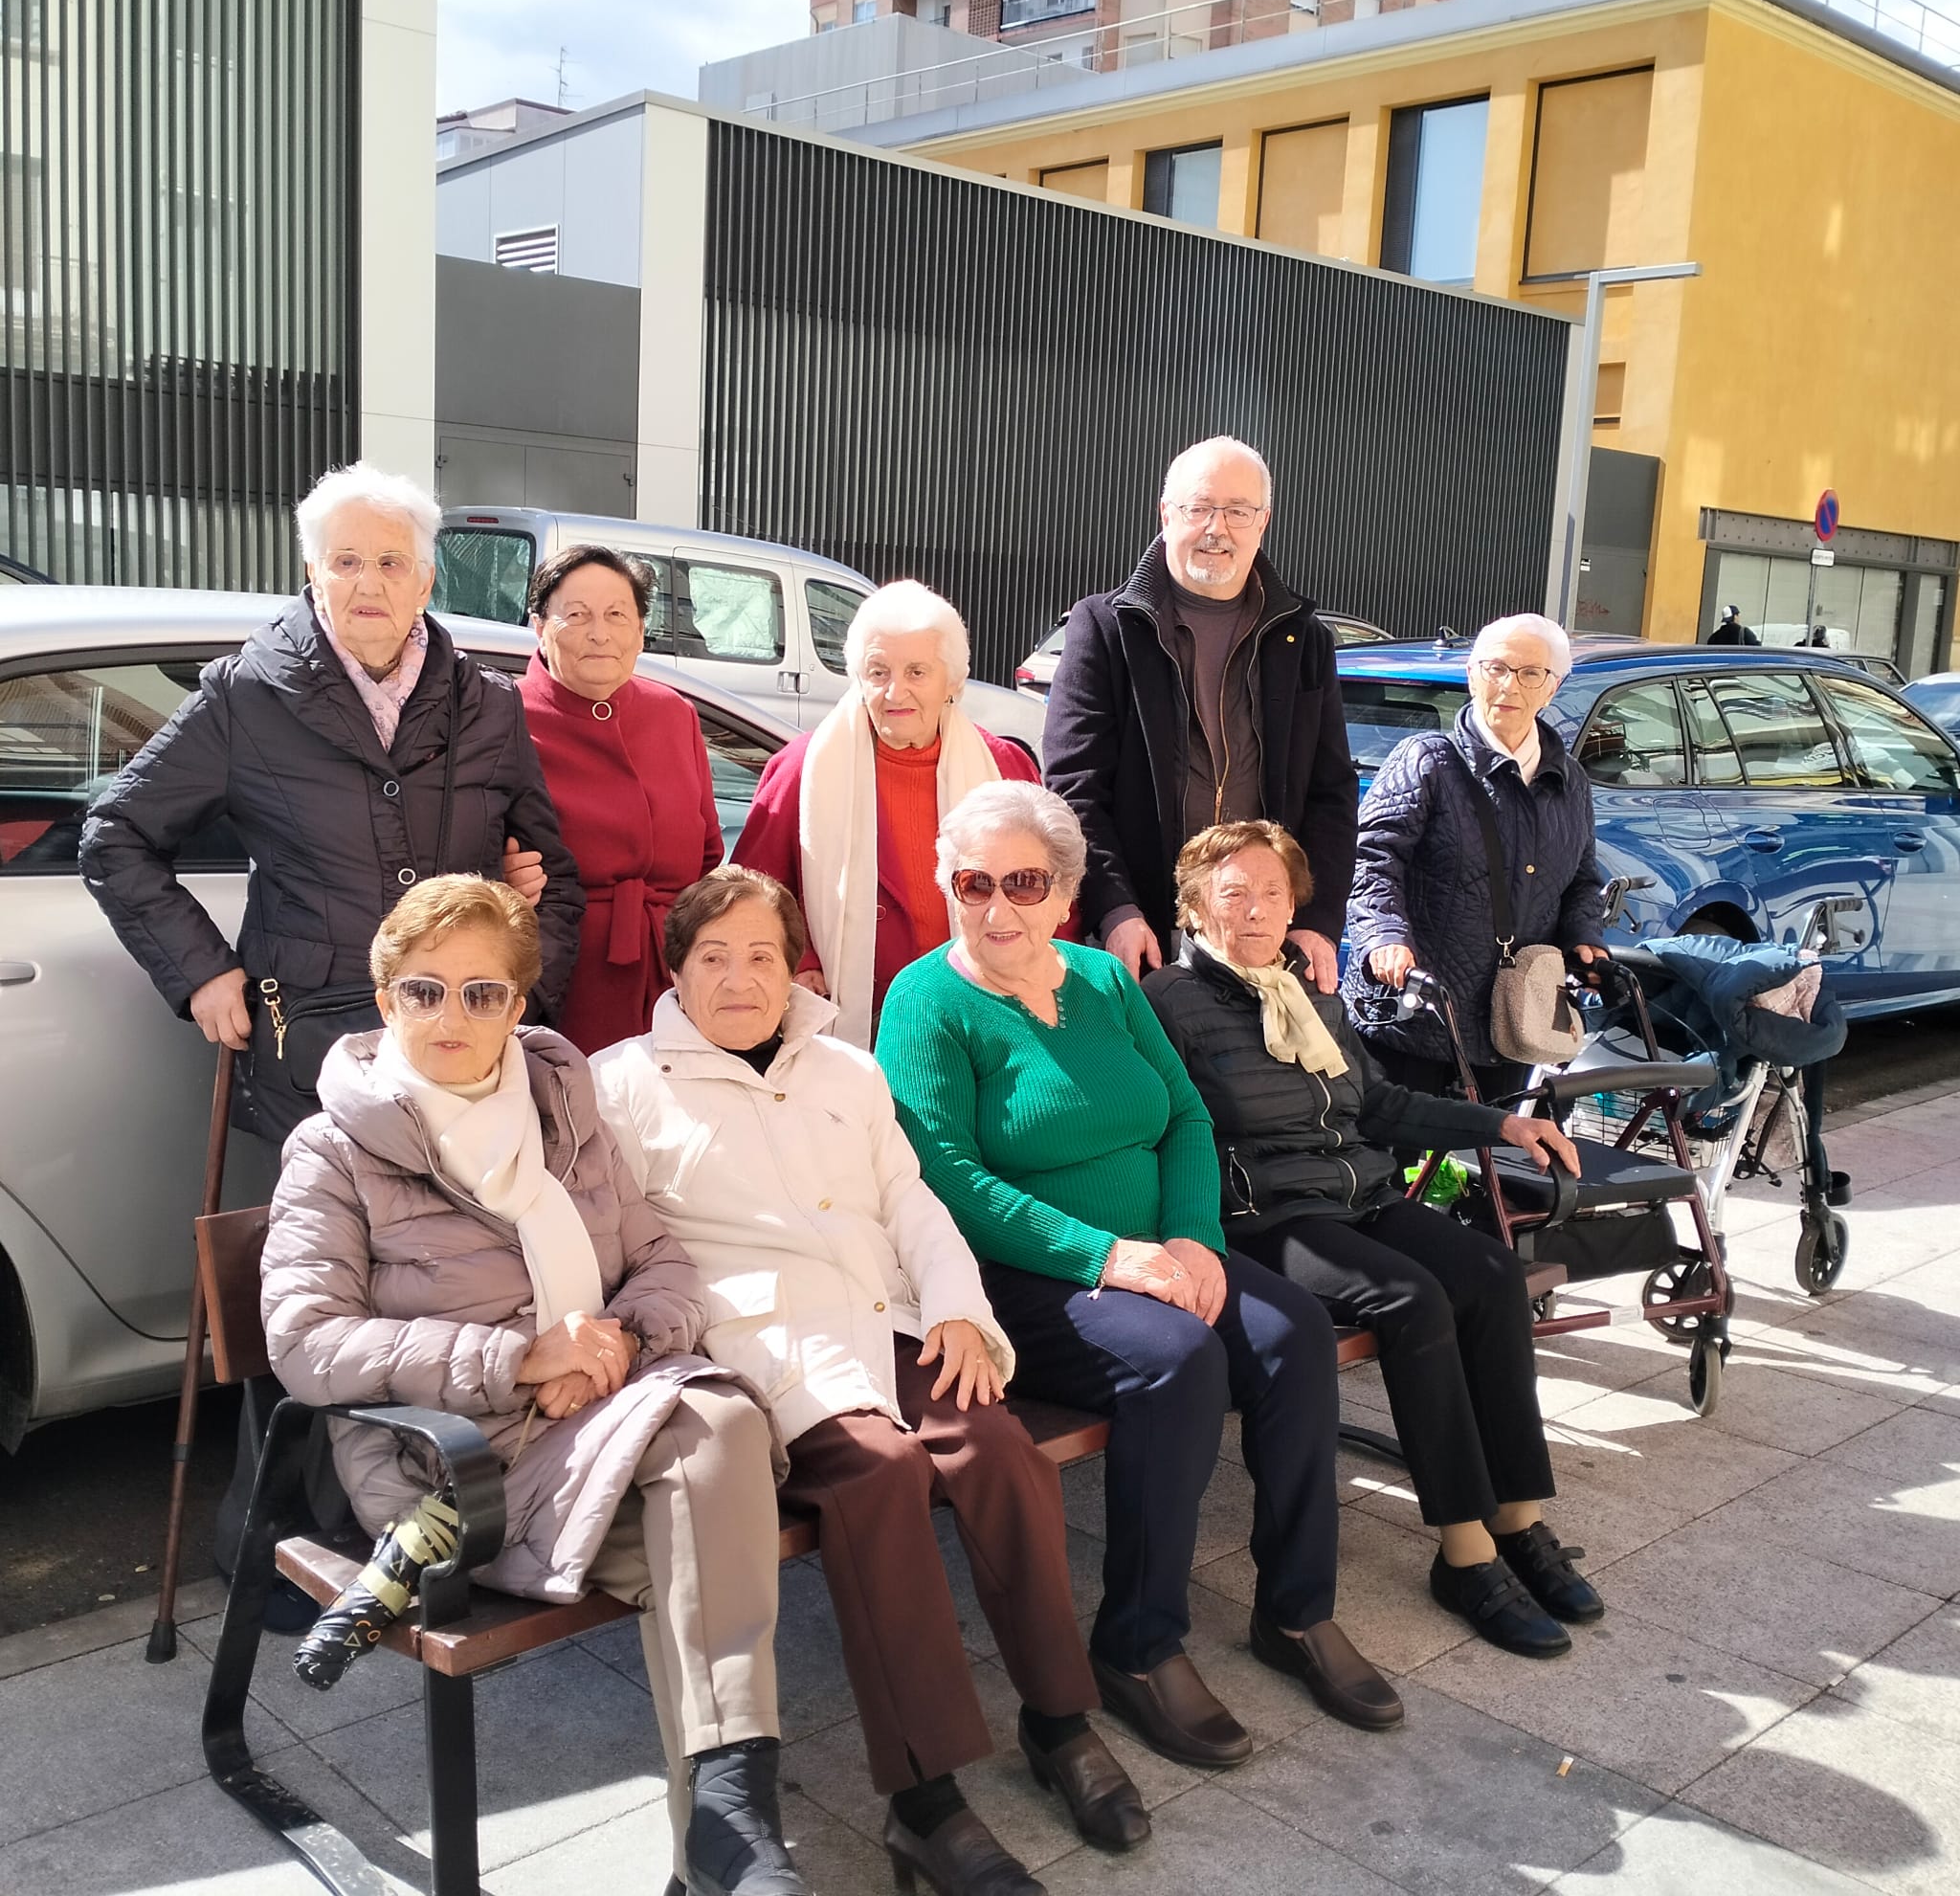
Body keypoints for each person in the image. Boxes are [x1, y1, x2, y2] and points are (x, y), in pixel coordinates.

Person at [592, 866, 1145, 1896]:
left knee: (994, 1443)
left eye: (761, 954)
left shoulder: (844, 1068)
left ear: (793, 965)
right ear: (675, 970)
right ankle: (926, 1802)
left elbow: (912, 1201)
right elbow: (622, 1259)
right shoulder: (621, 1083)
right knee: (882, 1474)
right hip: (763, 1354)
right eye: (712, 956)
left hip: (887, 1320)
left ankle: (1059, 1719)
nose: (739, 977)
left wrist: (956, 1309)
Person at [259, 877, 805, 1896]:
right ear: (386, 1001)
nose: (450, 1016)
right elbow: (304, 1341)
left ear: (519, 1007)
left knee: (716, 1441)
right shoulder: (333, 1148)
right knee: (716, 1473)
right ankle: (729, 1832)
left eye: (481, 993)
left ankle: (725, 1838)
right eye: (424, 991)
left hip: (603, 1418)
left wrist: (606, 1346)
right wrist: (514, 1358)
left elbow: (665, 1264)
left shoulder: (560, 1105)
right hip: (454, 1472)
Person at [878, 782, 1401, 1776]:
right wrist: (1109, 1257)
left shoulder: (1101, 980)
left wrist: (1195, 1239)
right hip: (1020, 1273)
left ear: (1064, 892)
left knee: (1291, 1337)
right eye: (971, 882)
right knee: (1175, 1363)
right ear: (945, 885)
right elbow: (945, 1178)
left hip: (1162, 1249)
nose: (997, 907)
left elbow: (1185, 1118)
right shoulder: (924, 1000)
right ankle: (1136, 1641)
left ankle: (1295, 1611)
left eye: (1023, 882)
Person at [1146, 821, 1605, 1657]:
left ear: (1295, 907)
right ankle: (1464, 1553)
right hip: (1268, 1221)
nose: (1254, 912)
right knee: (1413, 1299)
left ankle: (1518, 1519)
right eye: (1232, 894)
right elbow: (1167, 1131)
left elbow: (1383, 1107)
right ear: (1195, 907)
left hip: (1359, 1192)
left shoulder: (1308, 995)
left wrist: (1502, 1122)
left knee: (1493, 1275)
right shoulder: (1169, 1004)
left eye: (1272, 894)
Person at [80, 459, 582, 1144]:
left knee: (467, 1245)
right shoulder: (246, 697)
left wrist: (523, 1003)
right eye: (346, 560)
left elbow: (553, 877)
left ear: (426, 580)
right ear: (313, 570)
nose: (368, 582)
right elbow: (116, 834)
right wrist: (201, 970)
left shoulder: (488, 704)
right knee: (333, 1242)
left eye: (390, 562)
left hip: (466, 1044)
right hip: (313, 1045)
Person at [1041, 435, 1357, 992]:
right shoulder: (1107, 629)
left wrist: (1316, 921)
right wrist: (1115, 908)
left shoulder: (1304, 642)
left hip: (1266, 943)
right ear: (1166, 514)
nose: (1218, 528)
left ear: (1263, 520)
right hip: (1147, 939)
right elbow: (1075, 789)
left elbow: (1331, 794)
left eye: (1237, 511)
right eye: (1200, 507)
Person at [730, 580, 1037, 1047]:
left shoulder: (1005, 768)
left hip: (985, 1008)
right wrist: (803, 962)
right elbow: (755, 893)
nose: (896, 691)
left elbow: (1050, 891)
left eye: (917, 672)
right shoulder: (802, 768)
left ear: (952, 681)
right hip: (845, 1016)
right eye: (878, 672)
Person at [1342, 613, 1607, 1103]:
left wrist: (1584, 937)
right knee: (1398, 1167)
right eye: (1496, 668)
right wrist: (1383, 936)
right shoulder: (1426, 760)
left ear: (1553, 688)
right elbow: (1371, 858)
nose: (1509, 685)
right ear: (1472, 674)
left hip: (1511, 1020)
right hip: (1415, 1011)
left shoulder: (1569, 781)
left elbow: (1582, 879)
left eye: (1531, 673)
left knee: (1491, 1165)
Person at [502, 544, 724, 1055]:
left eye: (617, 615)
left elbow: (709, 854)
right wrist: (500, 877)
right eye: (575, 616)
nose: (599, 633)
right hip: (561, 979)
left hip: (676, 978)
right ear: (539, 627)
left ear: (641, 631)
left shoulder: (673, 714)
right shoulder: (504, 713)